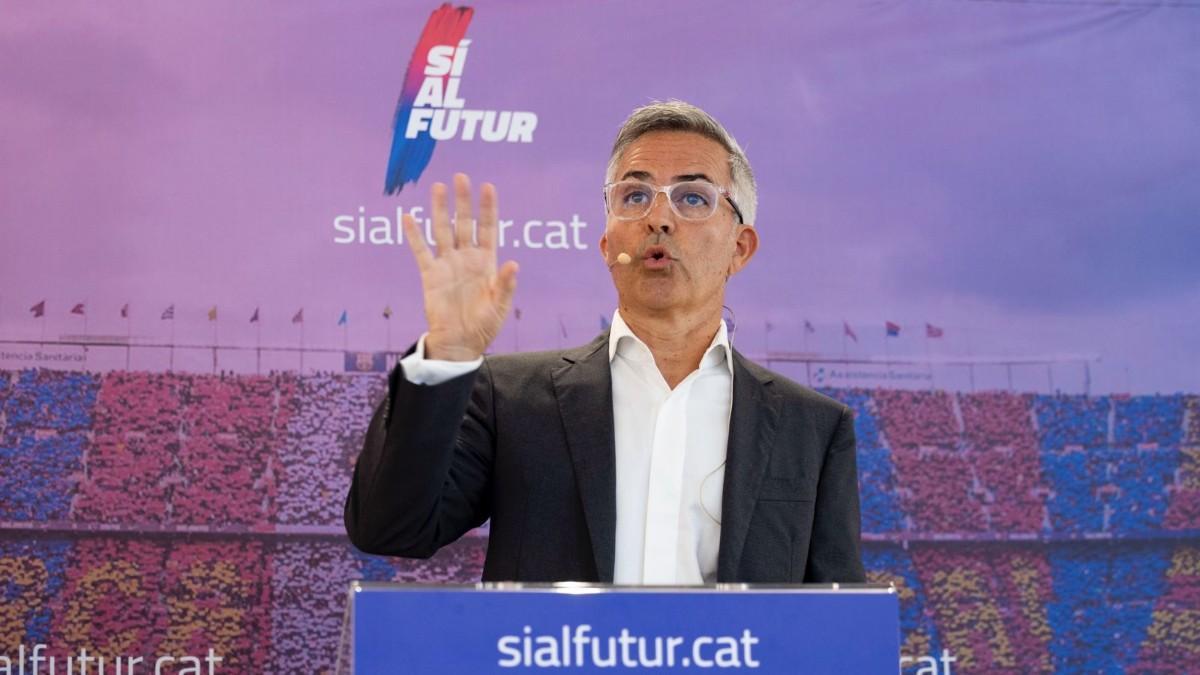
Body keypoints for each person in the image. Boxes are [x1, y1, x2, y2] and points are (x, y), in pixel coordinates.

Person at [345, 100, 864, 584]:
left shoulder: (812, 429)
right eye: (634, 196)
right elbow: (390, 528)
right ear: (607, 240)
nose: (658, 219)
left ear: (740, 247)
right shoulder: (510, 399)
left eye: (692, 197)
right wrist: (447, 357)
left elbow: (835, 625)